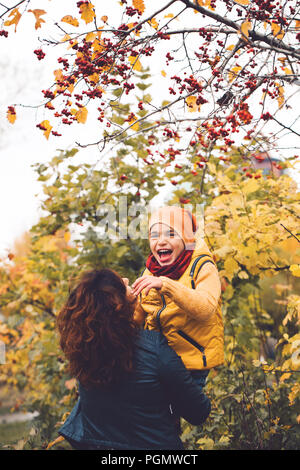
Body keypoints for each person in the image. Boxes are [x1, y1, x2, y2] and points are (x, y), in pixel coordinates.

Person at [56, 268, 211, 450]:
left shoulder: (84, 354)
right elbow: (198, 412)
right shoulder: (153, 348)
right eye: (123, 284)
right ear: (118, 304)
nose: (127, 278)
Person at [132, 206, 224, 392]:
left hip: (189, 363)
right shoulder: (151, 270)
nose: (161, 242)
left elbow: (205, 309)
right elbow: (137, 317)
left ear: (186, 238)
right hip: (157, 360)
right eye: (154, 235)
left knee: (172, 413)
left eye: (171, 234)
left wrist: (165, 285)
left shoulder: (202, 266)